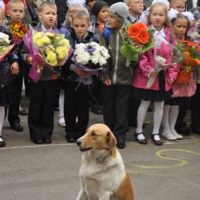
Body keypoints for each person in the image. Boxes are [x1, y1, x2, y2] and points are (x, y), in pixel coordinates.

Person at [132, 2, 178, 146]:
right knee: (144, 103)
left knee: (160, 104)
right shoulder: (144, 32)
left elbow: (174, 56)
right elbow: (142, 55)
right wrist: (149, 70)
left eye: (161, 15)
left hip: (163, 77)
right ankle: (139, 130)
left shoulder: (170, 35)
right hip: (149, 76)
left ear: (165, 17)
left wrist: (172, 75)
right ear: (149, 16)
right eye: (154, 14)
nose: (157, 17)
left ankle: (156, 132)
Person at [21, 2, 59, 145]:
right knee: (36, 104)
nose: (51, 16)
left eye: (53, 14)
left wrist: (59, 59)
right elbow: (24, 52)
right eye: (48, 13)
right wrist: (30, 59)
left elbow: (63, 54)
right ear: (40, 15)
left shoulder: (59, 34)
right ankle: (35, 132)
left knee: (49, 105)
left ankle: (47, 132)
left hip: (51, 75)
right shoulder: (32, 33)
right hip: (36, 75)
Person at [99, 2, 133, 149]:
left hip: (125, 78)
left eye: (112, 17)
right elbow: (102, 56)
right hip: (108, 79)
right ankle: (108, 135)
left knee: (122, 108)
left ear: (121, 18)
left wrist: (127, 38)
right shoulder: (105, 32)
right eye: (108, 16)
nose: (109, 19)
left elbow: (135, 55)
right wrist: (104, 75)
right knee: (108, 108)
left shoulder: (131, 32)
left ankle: (120, 136)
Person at [63, 10, 98, 143]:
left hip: (87, 79)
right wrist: (75, 69)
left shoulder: (93, 38)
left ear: (88, 24)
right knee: (70, 105)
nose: (79, 28)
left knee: (84, 105)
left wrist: (92, 70)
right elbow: (64, 60)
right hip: (71, 78)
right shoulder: (67, 37)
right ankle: (70, 130)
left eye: (83, 25)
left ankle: (81, 130)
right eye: (76, 25)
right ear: (72, 24)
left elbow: (98, 57)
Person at [162, 13, 192, 140]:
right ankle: (165, 128)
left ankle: (172, 127)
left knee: (177, 104)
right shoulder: (168, 40)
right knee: (168, 103)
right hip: (170, 77)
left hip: (181, 78)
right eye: (179, 26)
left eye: (184, 27)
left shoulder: (187, 42)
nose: (182, 29)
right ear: (171, 25)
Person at [0, 7, 19, 147]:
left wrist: (15, 61)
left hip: (3, 75)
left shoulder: (6, 32)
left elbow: (11, 51)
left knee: (1, 106)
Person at [6, 0, 26, 132]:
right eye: (15, 11)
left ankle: (14, 119)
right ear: (8, 12)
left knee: (17, 92)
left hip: (21, 64)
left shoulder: (26, 29)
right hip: (6, 64)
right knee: (5, 93)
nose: (18, 14)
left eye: (21, 11)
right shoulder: (5, 27)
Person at [89, 0, 108, 115]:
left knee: (104, 82)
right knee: (95, 83)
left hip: (106, 57)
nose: (106, 14)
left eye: (108, 11)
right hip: (96, 57)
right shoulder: (93, 26)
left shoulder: (110, 25)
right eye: (103, 11)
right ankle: (95, 104)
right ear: (96, 13)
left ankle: (103, 102)